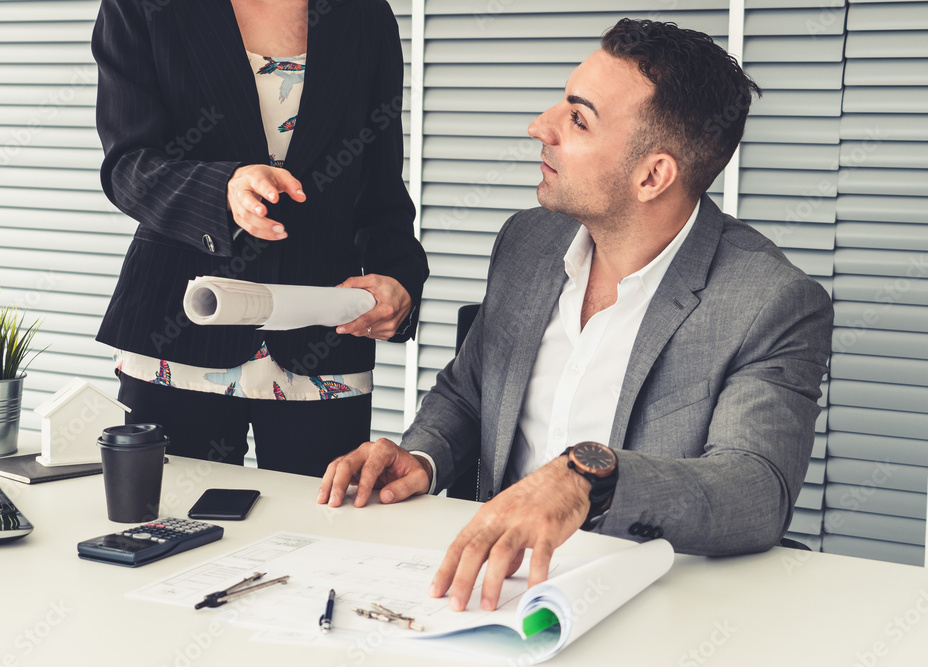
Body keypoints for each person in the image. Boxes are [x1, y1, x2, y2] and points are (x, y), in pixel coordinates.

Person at [318, 18, 834, 611]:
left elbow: (754, 490)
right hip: (487, 592)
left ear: (652, 175)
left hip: (646, 603)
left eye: (578, 118)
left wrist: (592, 478)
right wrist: (424, 456)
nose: (540, 128)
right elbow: (469, 392)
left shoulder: (770, 301)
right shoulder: (527, 242)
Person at [90, 0, 428, 476]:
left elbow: (380, 190)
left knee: (320, 534)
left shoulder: (365, 14)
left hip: (322, 336)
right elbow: (128, 165)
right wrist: (223, 190)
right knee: (166, 529)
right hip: (180, 327)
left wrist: (399, 279)